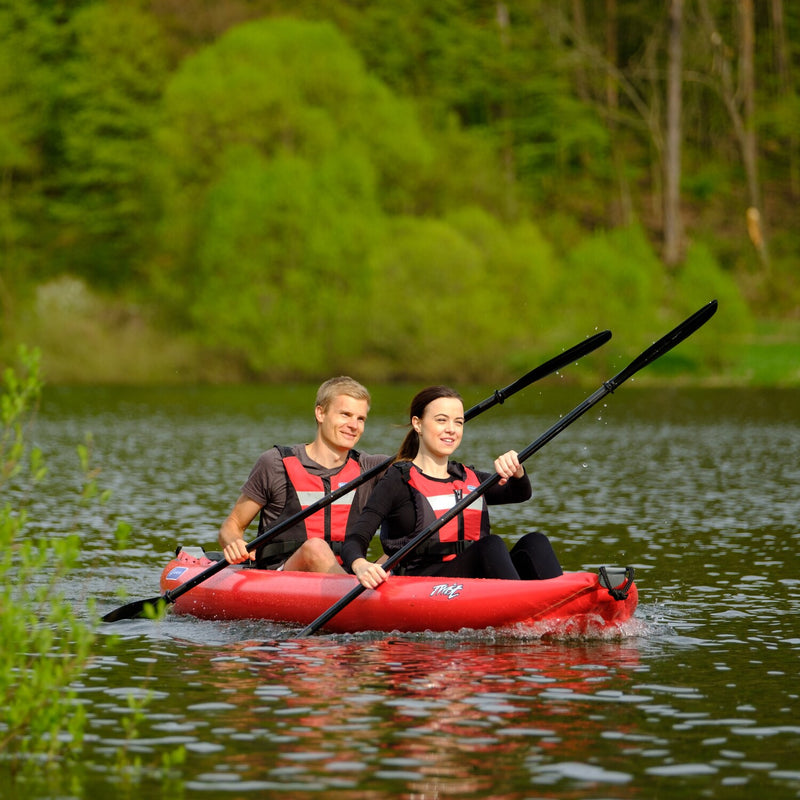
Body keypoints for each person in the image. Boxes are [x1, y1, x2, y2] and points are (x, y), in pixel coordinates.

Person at [342, 385, 563, 589]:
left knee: (536, 542)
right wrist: (361, 565)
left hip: (472, 579)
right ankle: (523, 611)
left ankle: (564, 606)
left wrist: (517, 471)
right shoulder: (397, 479)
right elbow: (355, 539)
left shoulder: (467, 477)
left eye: (458, 422)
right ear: (418, 424)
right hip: (422, 586)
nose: (451, 429)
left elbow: (519, 493)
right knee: (491, 545)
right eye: (441, 420)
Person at [219, 376, 388, 573]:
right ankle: (359, 598)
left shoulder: (371, 467)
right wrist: (234, 543)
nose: (354, 425)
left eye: (361, 419)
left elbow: (421, 463)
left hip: (352, 574)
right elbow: (232, 525)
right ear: (320, 413)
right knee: (315, 548)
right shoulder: (275, 464)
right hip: (284, 576)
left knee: (409, 544)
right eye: (345, 414)